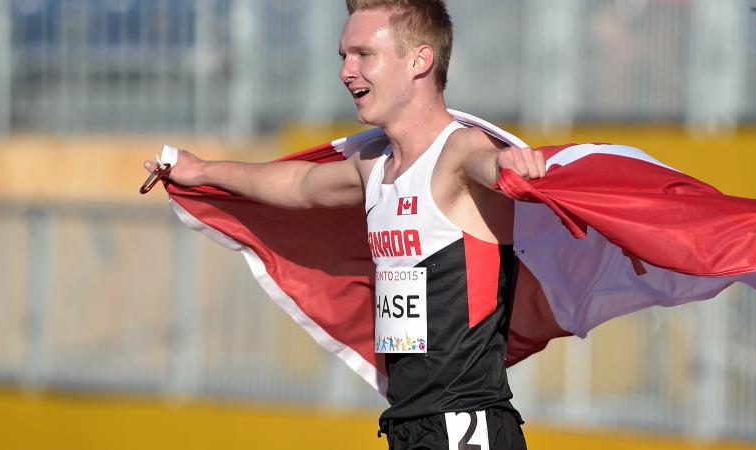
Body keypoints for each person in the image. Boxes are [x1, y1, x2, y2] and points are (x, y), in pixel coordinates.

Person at [146, 1, 544, 448]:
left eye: (363, 55)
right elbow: (300, 184)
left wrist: (510, 164)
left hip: (464, 425)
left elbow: (490, 163)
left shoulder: (459, 152)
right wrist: (201, 171)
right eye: (343, 57)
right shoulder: (373, 166)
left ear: (420, 60)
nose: (346, 72)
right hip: (410, 424)